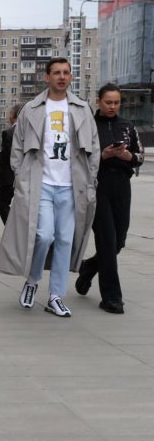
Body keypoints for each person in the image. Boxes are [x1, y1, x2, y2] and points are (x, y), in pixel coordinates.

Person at [0, 58, 100, 317]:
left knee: (65, 239)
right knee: (43, 235)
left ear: (70, 76)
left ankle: (56, 296)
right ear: (47, 77)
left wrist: (91, 179)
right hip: (40, 185)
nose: (61, 77)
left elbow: (93, 146)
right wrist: (21, 178)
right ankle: (31, 281)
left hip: (71, 186)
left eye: (66, 73)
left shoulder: (81, 109)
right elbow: (17, 147)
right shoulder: (31, 108)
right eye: (56, 73)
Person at [74, 83, 144, 313]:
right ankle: (112, 298)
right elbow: (79, 157)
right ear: (99, 102)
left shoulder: (127, 126)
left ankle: (88, 268)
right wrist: (102, 155)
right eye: (108, 102)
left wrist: (128, 155)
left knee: (118, 241)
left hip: (122, 186)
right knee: (106, 241)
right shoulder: (89, 126)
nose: (113, 106)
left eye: (116, 102)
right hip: (98, 187)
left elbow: (140, 156)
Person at [0, 103, 24, 223]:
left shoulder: (9, 133)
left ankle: (12, 231)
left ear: (12, 115)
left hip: (10, 176)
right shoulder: (29, 132)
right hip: (29, 175)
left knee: (2, 203)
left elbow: (10, 155)